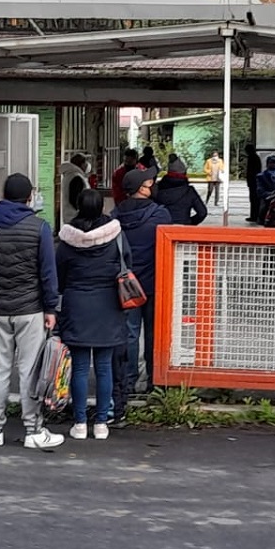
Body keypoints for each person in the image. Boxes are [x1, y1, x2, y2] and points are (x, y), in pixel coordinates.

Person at [0, 173, 64, 450]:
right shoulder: (39, 228)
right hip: (31, 309)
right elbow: (48, 273)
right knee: (29, 371)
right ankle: (33, 430)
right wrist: (51, 307)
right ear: (28, 197)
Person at [57, 189, 130, 440]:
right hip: (109, 305)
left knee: (78, 368)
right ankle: (101, 423)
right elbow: (126, 263)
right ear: (101, 207)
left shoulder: (67, 239)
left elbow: (59, 277)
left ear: (78, 206)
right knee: (104, 367)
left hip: (77, 306)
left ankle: (79, 423)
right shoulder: (116, 235)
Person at [113, 167, 172, 396]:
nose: (153, 186)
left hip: (126, 286)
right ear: (141, 189)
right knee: (153, 333)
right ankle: (154, 381)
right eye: (149, 183)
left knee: (129, 333)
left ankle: (128, 382)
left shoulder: (115, 217)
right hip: (156, 282)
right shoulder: (160, 215)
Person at [154, 158, 208, 226]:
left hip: (161, 228)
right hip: (183, 228)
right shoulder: (189, 191)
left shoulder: (157, 189)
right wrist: (190, 223)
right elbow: (202, 212)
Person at [59, 153, 90, 228]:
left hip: (70, 216)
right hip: (75, 218)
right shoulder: (76, 177)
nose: (87, 165)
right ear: (81, 164)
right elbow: (75, 198)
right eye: (85, 162)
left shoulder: (69, 175)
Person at [244, 144, 261, 222]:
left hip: (253, 182)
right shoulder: (256, 157)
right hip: (255, 181)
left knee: (254, 199)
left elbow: (251, 171)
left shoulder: (252, 158)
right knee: (254, 199)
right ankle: (255, 215)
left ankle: (254, 216)